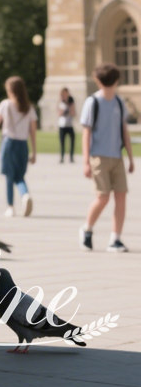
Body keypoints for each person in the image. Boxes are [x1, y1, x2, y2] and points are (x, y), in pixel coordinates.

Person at [79, 63, 135, 253]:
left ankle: (115, 239)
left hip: (116, 156)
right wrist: (86, 161)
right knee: (103, 197)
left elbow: (124, 131)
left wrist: (130, 157)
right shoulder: (92, 102)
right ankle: (87, 229)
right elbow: (86, 133)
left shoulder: (119, 102)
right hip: (98, 157)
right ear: (116, 80)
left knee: (121, 198)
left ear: (97, 80)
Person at [0, 75, 37, 217]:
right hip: (22, 145)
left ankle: (11, 207)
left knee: (9, 177)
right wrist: (34, 152)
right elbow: (33, 132)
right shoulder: (29, 108)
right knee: (20, 176)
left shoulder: (5, 104)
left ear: (10, 90)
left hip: (9, 143)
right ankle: (25, 195)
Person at [57, 87, 76, 163]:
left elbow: (73, 113)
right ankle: (62, 157)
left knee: (72, 142)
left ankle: (71, 157)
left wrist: (70, 105)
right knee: (62, 143)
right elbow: (59, 113)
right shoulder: (61, 103)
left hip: (69, 125)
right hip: (62, 125)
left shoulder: (71, 102)